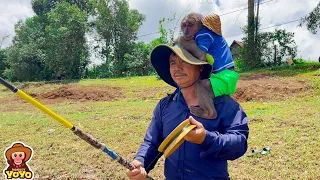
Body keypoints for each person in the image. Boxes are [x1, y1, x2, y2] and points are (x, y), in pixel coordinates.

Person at [125, 45, 249, 180]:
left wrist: (205, 138)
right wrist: (140, 162)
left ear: (200, 66)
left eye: (184, 61)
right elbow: (151, 143)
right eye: (173, 63)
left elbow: (239, 143)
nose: (177, 68)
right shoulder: (165, 106)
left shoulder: (224, 105)